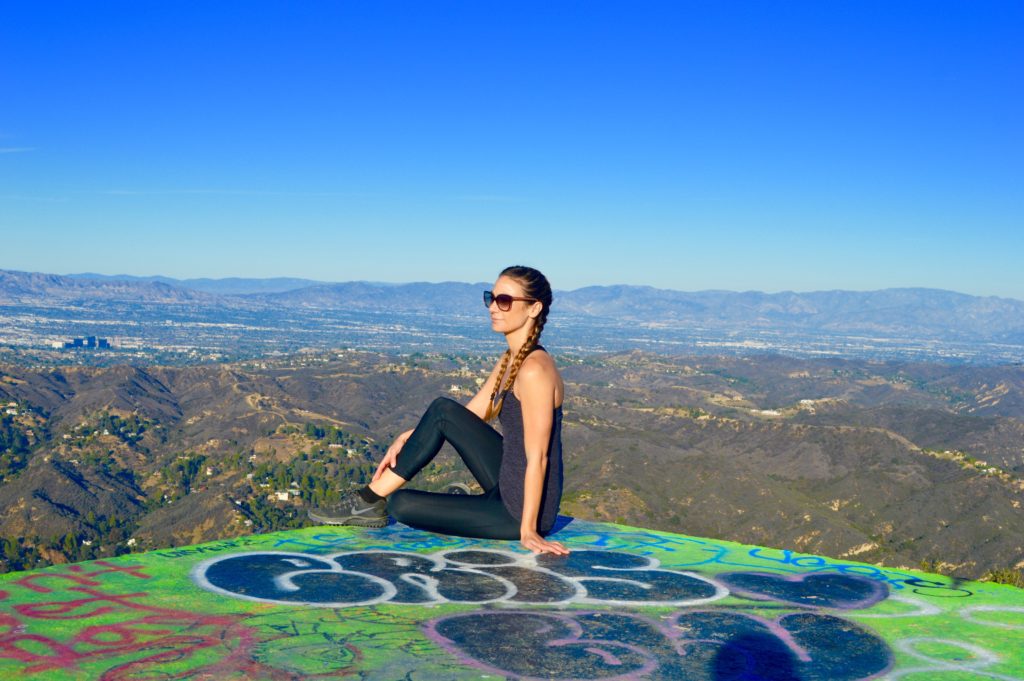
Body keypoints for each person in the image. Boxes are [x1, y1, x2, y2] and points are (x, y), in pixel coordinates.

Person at [308, 266, 569, 556]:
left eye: (504, 300)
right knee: (442, 409)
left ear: (534, 308)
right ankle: (369, 500)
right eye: (490, 298)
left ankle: (369, 501)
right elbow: (468, 416)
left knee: (400, 504)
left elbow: (540, 457)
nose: (493, 307)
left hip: (519, 510)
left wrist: (529, 530)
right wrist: (410, 437)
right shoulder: (511, 358)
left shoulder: (534, 370)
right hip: (508, 480)